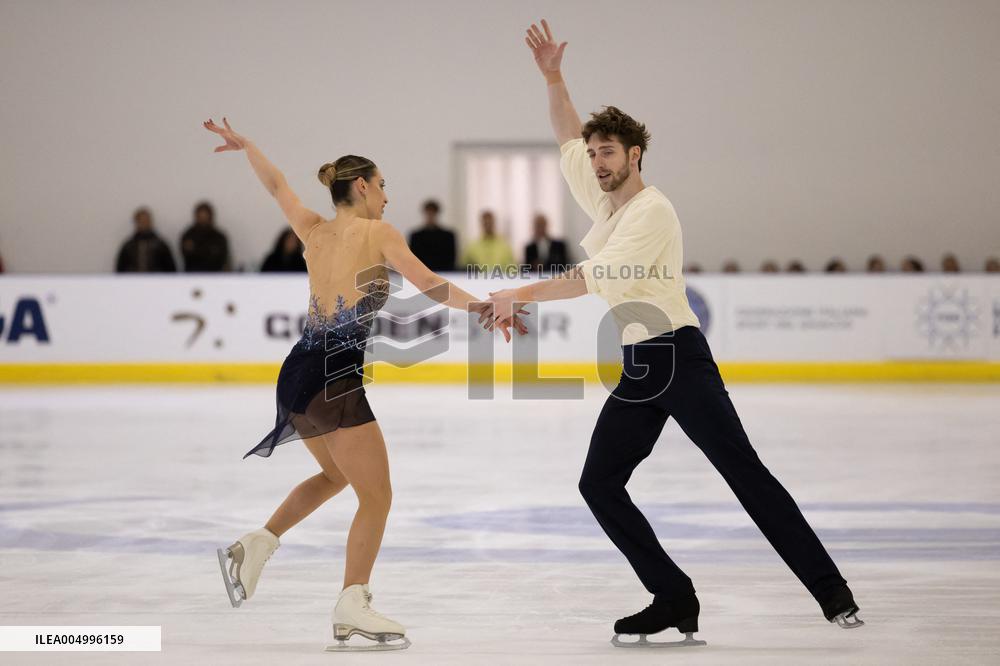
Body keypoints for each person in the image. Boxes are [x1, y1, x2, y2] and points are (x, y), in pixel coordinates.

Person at [487, 19, 863, 647]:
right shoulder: (604, 199)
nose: (597, 162)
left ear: (634, 156)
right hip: (640, 366)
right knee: (598, 483)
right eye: (595, 152)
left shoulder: (653, 210)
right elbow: (563, 132)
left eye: (609, 152)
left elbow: (593, 277)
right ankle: (673, 596)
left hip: (678, 359)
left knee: (745, 475)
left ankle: (834, 594)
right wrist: (553, 76)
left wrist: (514, 295)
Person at [202, 118, 523, 651]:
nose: (388, 198)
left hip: (297, 371)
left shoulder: (313, 228)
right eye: (383, 186)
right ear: (363, 187)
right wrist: (485, 307)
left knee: (334, 477)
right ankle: (353, 601)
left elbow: (278, 185)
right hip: (334, 376)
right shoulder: (378, 233)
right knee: (378, 496)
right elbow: (429, 284)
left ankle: (256, 543)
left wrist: (250, 147)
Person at [115, 207, 177, 273]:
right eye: (141, 221)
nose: (144, 223)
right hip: (133, 281)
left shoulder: (161, 245)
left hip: (156, 281)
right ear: (136, 222)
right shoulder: (128, 246)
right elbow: (120, 269)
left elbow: (171, 269)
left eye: (146, 220)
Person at [408, 199, 457, 272]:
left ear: (436, 214)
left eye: (432, 213)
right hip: (421, 273)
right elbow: (413, 258)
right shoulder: (416, 236)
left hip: (444, 273)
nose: (430, 216)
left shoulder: (448, 236)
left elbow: (451, 259)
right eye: (428, 213)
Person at [180, 201, 231, 272]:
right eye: (201, 217)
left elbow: (222, 258)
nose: (203, 220)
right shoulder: (188, 236)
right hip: (192, 275)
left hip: (215, 275)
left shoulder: (219, 237)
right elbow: (188, 256)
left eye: (205, 217)